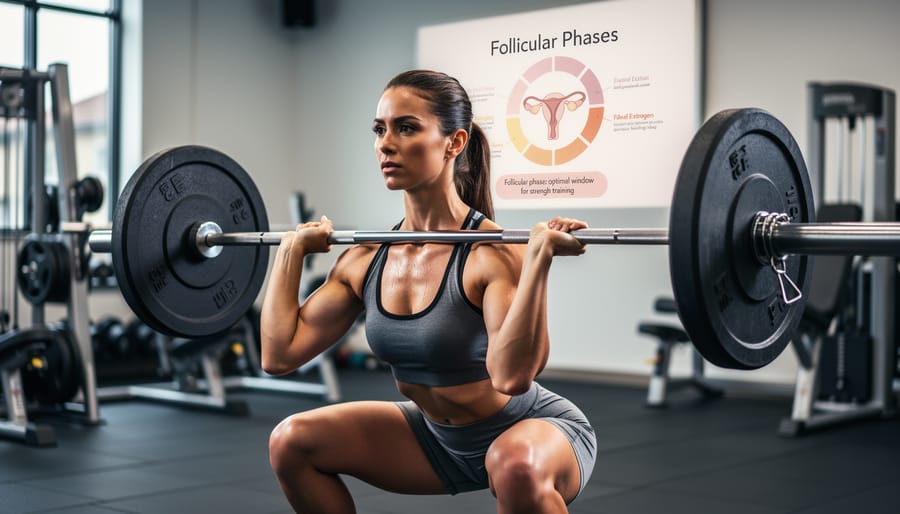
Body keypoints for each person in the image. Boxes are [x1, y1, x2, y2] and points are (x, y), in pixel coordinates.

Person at [261, 69, 597, 514]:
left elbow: (512, 378)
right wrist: (289, 255)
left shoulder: (490, 254)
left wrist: (538, 261)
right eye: (380, 129)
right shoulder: (366, 259)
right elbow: (279, 355)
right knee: (293, 442)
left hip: (533, 432)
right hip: (437, 439)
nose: (385, 143)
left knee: (513, 464)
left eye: (406, 127)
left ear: (454, 143)